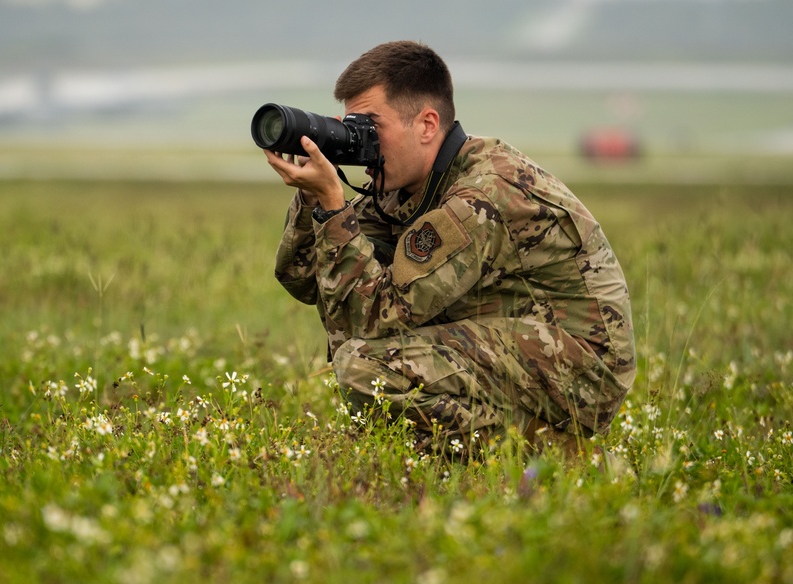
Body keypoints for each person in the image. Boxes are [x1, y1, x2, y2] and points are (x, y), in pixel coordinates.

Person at [264, 41, 635, 452]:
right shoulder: (407, 184)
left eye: (372, 126)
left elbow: (374, 318)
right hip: (515, 336)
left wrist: (335, 205)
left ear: (427, 125)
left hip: (583, 367)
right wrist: (314, 199)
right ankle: (431, 450)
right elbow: (303, 279)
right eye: (353, 127)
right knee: (357, 301)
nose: (361, 142)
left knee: (365, 365)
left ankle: (552, 449)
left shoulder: (482, 194)